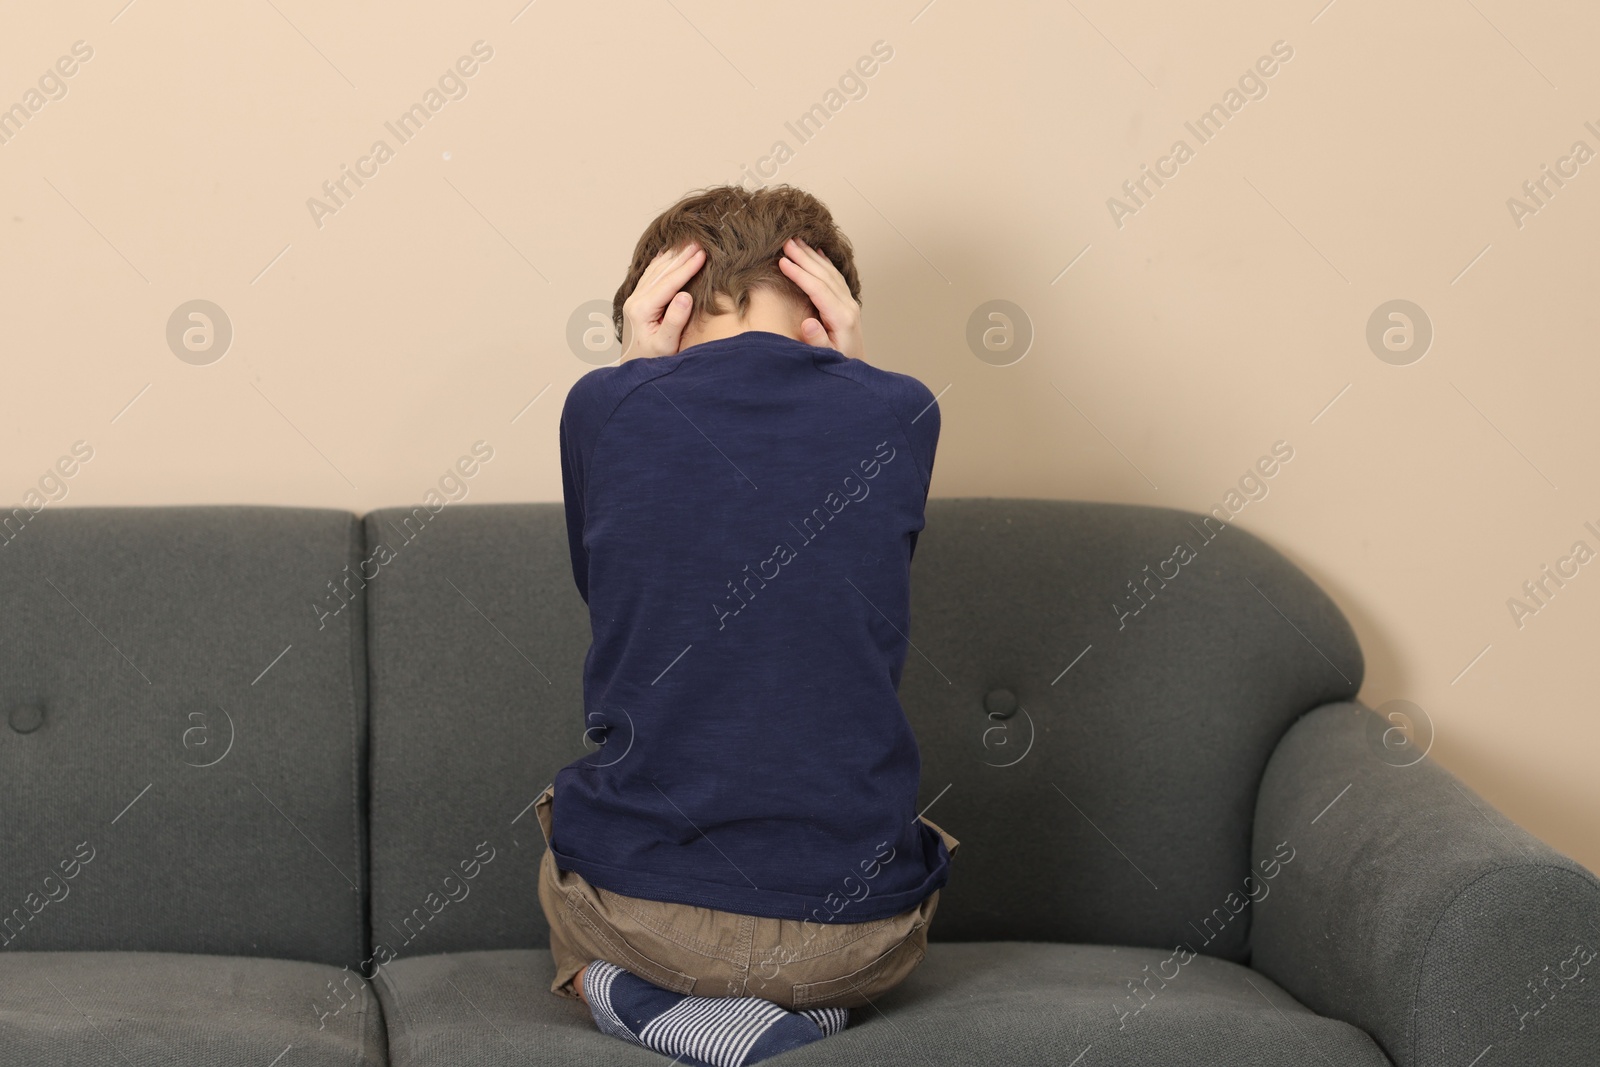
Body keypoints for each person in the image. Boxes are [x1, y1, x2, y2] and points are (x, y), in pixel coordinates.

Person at [540, 183, 958, 1067]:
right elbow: (854, 589)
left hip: (646, 923)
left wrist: (630, 369)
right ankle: (817, 1010)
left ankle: (622, 991)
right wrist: (861, 374)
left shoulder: (603, 407)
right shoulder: (905, 410)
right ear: (822, 307)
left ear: (665, 306)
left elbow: (607, 586)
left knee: (559, 835)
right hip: (861, 939)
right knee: (924, 844)